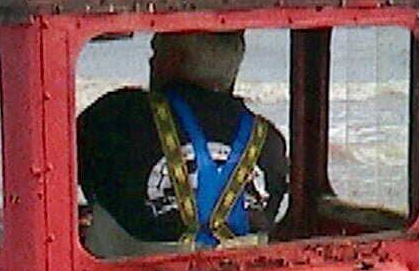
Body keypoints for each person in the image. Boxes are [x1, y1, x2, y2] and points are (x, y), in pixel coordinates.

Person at [77, 31, 289, 255]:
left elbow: (70, 172)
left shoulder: (118, 116)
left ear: (174, 59)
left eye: (155, 51)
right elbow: (269, 210)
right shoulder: (270, 141)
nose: (151, 61)